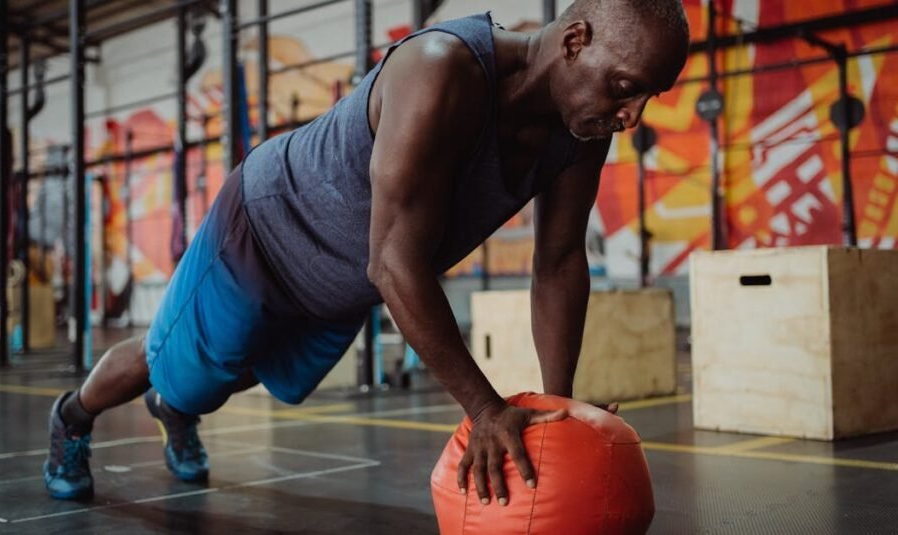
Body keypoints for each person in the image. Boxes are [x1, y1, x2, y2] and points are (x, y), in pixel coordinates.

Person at [44, 0, 690, 506]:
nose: (632, 113)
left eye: (646, 96)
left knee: (242, 371)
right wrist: (485, 409)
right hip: (264, 234)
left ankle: (180, 406)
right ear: (576, 40)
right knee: (172, 364)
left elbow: (558, 261)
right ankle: (74, 417)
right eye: (626, 85)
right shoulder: (441, 71)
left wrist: (559, 410)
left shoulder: (583, 129)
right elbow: (393, 262)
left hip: (335, 284)